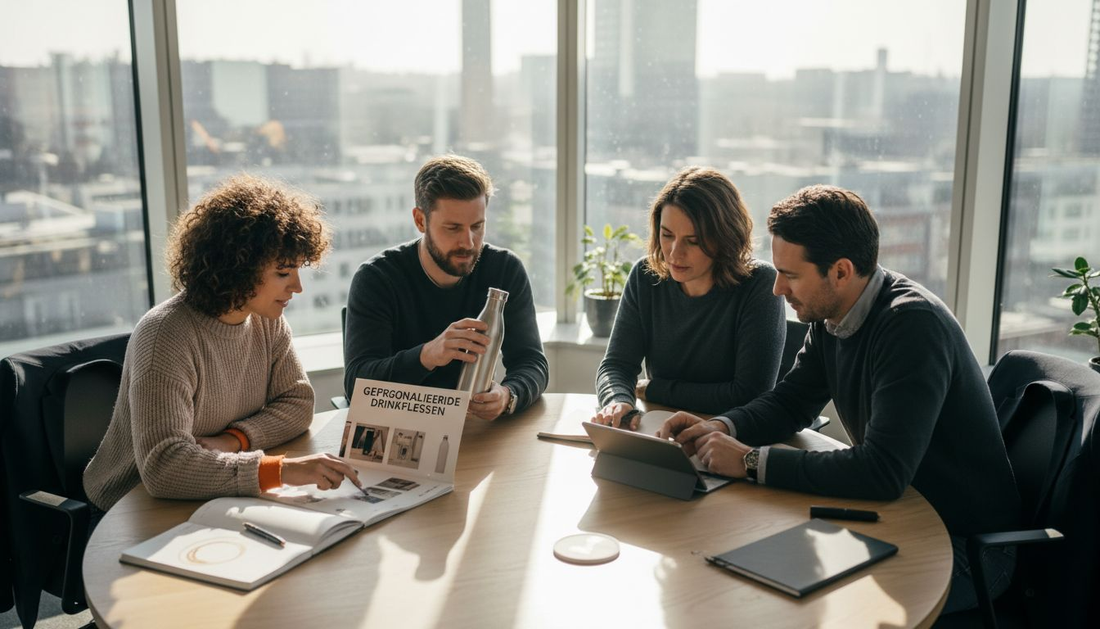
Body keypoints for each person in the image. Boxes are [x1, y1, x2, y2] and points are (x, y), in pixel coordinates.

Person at [658, 184, 1020, 614]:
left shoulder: (911, 328)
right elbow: (791, 402)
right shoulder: (832, 312)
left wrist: (751, 461)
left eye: (791, 275)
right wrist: (720, 426)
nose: (777, 289)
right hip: (892, 517)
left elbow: (882, 471)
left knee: (814, 610)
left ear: (841, 272)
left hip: (965, 547)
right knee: (738, 573)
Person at [84, 174, 361, 514]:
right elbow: (164, 467)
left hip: (211, 494)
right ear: (239, 267)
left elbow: (297, 402)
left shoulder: (266, 320)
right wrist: (280, 471)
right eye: (283, 273)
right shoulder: (165, 335)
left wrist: (235, 440)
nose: (297, 287)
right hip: (131, 508)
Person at [343, 155, 548, 420]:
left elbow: (532, 363)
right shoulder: (377, 278)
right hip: (401, 426)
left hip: (473, 427)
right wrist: (428, 355)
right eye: (453, 228)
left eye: (477, 226)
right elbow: (356, 384)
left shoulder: (505, 269)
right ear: (420, 220)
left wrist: (508, 396)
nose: (468, 242)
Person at [592, 167, 785, 429]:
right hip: (662, 429)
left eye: (692, 241)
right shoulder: (645, 276)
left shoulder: (759, 284)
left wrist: (655, 389)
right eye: (667, 235)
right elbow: (616, 365)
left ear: (725, 238)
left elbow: (749, 395)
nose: (674, 253)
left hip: (729, 434)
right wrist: (618, 400)